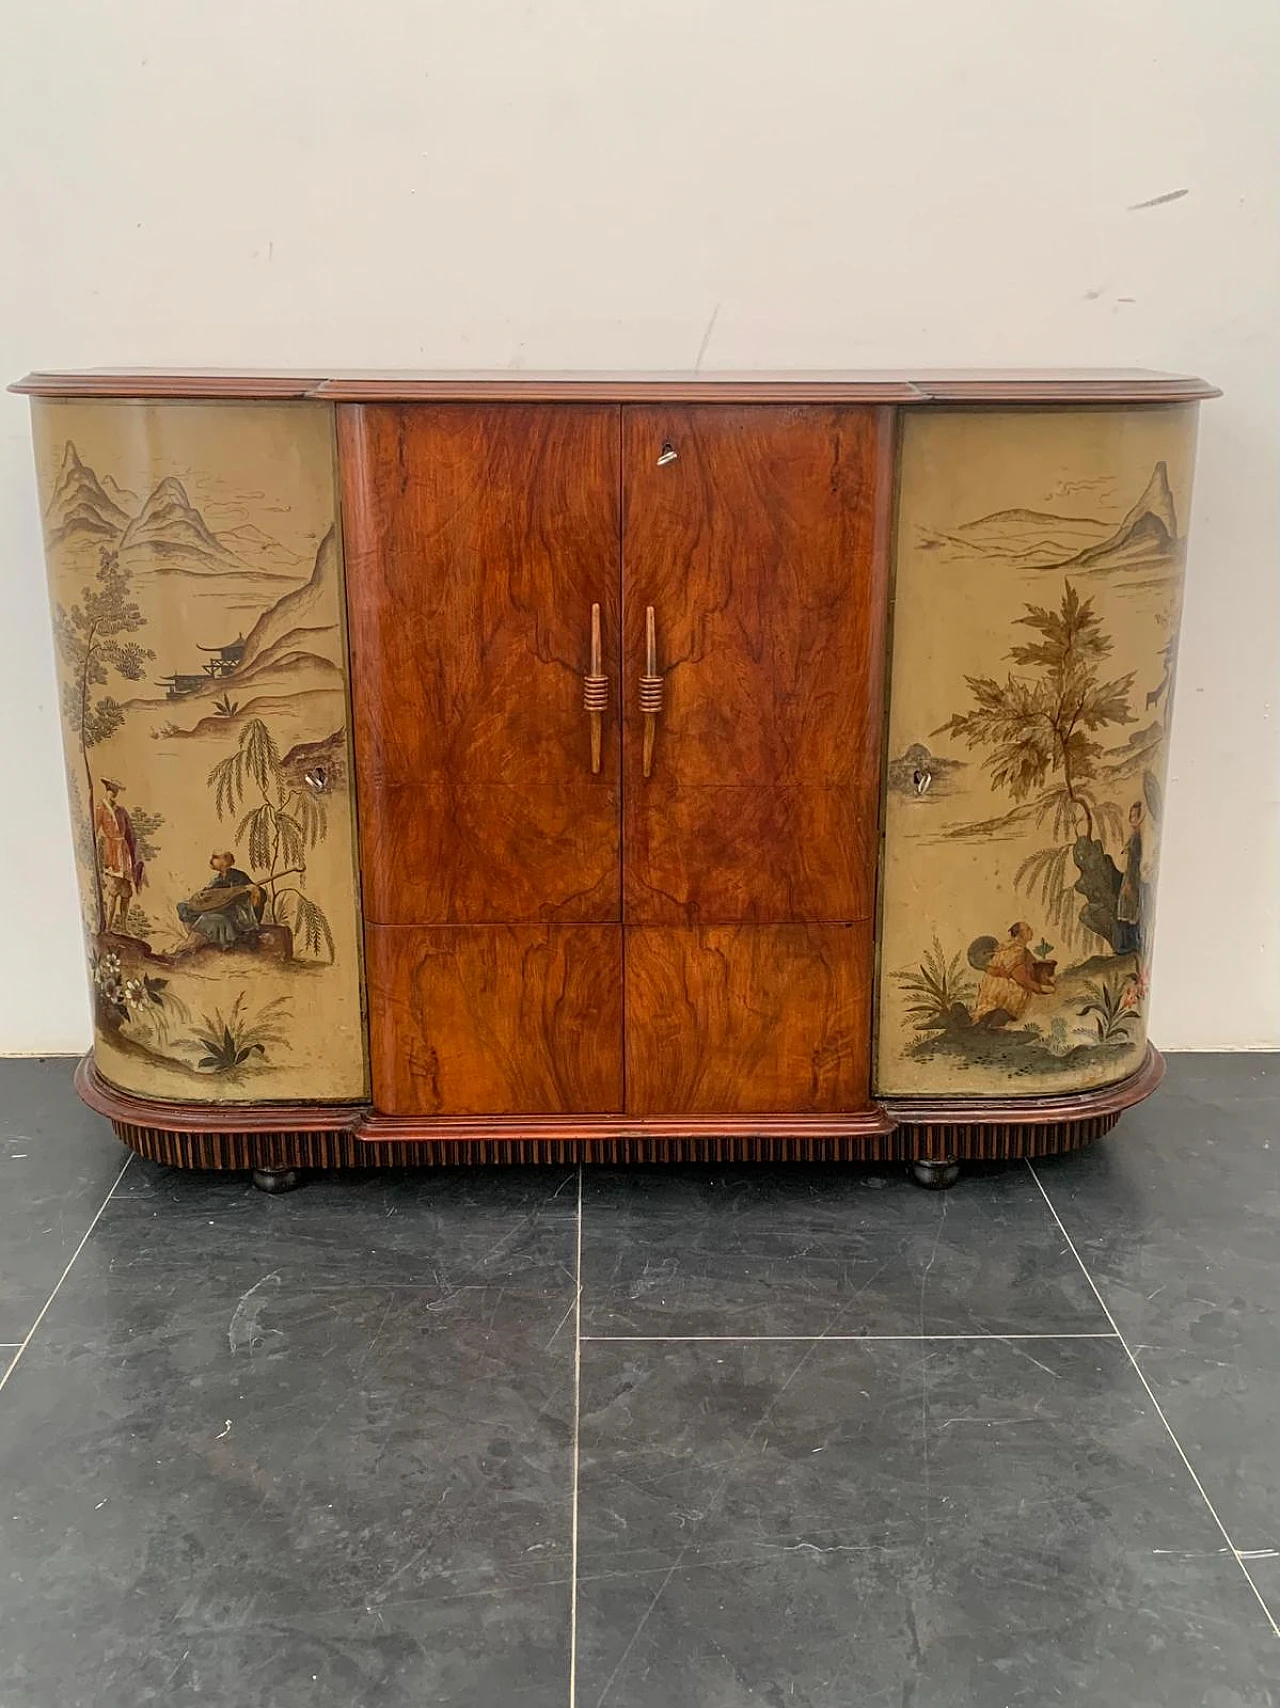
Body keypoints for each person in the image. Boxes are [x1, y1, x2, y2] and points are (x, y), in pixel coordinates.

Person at [972, 921, 1057, 1028]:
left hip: (996, 1001)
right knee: (995, 1022)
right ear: (1020, 934)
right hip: (999, 1001)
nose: (1031, 931)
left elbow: (1033, 968)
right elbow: (1020, 977)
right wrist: (1040, 988)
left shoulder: (1018, 949)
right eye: (1027, 930)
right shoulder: (1015, 950)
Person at [177, 851, 264, 951]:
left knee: (208, 918)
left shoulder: (239, 876)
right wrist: (201, 896)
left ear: (225, 860)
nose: (211, 860)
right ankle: (194, 939)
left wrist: (253, 891)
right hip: (217, 908)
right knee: (183, 907)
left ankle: (190, 945)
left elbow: (256, 897)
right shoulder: (217, 879)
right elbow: (210, 895)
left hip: (233, 914)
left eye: (215, 857)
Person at [94, 779, 145, 934]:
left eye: (115, 790)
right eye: (112, 789)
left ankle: (123, 926)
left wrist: (135, 856)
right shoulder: (101, 808)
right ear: (107, 789)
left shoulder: (121, 810)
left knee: (126, 892)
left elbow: (130, 833)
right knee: (113, 890)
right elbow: (94, 830)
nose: (114, 793)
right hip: (112, 851)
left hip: (124, 853)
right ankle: (109, 927)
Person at [1114, 801, 1145, 956]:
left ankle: (1129, 946)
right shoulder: (1133, 836)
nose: (1132, 820)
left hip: (1133, 876)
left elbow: (1134, 860)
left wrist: (1130, 882)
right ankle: (1123, 946)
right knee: (1124, 908)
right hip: (1128, 875)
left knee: (1130, 910)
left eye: (1135, 816)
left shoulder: (1137, 838)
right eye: (1131, 816)